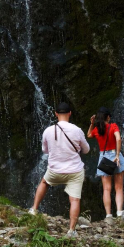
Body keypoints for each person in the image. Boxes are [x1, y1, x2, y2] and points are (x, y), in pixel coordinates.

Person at [29, 102, 90, 237]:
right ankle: (71, 230)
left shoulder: (48, 131)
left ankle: (34, 209)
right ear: (70, 113)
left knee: (44, 183)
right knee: (74, 200)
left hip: (55, 170)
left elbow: (45, 150)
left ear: (56, 114)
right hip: (74, 171)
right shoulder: (77, 130)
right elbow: (86, 150)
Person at [87, 107, 124, 220]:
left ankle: (108, 215)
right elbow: (118, 139)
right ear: (108, 117)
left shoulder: (97, 130)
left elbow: (89, 135)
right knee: (119, 188)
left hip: (104, 156)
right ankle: (119, 212)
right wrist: (117, 155)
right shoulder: (113, 126)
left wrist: (92, 124)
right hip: (115, 156)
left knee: (106, 189)